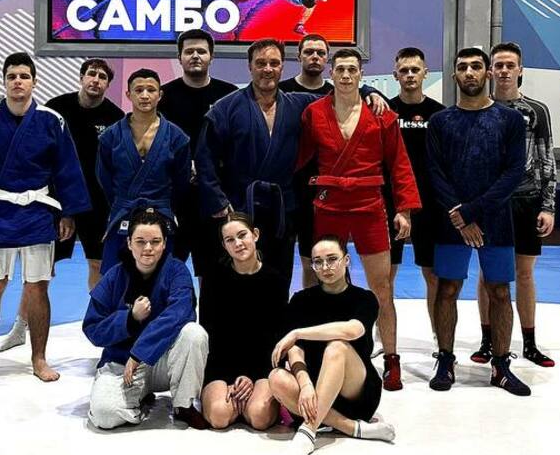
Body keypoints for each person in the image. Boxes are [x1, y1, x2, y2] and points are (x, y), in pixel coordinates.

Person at [0, 52, 91, 386]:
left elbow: (67, 168)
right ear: (4, 81)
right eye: (12, 76)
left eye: (24, 76)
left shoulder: (52, 120)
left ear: (34, 81)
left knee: (37, 288)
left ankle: (39, 358)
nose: (18, 82)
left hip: (38, 213)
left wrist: (68, 212)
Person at [197, 38, 386, 296]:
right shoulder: (226, 107)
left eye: (274, 63)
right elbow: (205, 158)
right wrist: (218, 201)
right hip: (240, 206)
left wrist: (368, 92)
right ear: (250, 66)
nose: (267, 69)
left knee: (278, 278)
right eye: (261, 63)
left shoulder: (299, 104)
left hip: (282, 209)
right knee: (236, 279)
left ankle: (276, 321)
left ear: (282, 67)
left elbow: (340, 95)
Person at [295, 48, 419, 391]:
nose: (346, 75)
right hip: (329, 203)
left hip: (369, 204)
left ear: (362, 75)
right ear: (331, 73)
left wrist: (404, 209)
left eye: (352, 69)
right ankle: (324, 352)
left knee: (382, 286)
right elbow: (299, 159)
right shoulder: (313, 113)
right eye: (341, 69)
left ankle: (391, 358)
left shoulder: (382, 114)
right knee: (328, 282)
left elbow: (399, 163)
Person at [0, 59, 123, 352]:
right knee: (41, 268)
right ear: (81, 77)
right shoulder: (56, 108)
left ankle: (100, 323)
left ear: (107, 84)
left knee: (98, 264)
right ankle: (20, 327)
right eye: (91, 74)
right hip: (56, 200)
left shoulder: (115, 116)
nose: (96, 80)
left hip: (98, 202)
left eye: (102, 77)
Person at [425, 47, 529, 396]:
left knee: (500, 291)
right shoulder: (440, 122)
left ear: (487, 73)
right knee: (447, 289)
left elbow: (513, 172)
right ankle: (445, 359)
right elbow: (434, 172)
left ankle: (501, 366)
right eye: (462, 67)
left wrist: (471, 212)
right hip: (451, 221)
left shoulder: (510, 120)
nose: (469, 72)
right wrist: (460, 215)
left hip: (495, 220)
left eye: (475, 66)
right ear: (455, 75)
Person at [269, 235, 396, 455]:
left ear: (346, 260)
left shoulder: (365, 298)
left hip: (355, 392)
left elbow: (352, 330)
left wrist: (298, 332)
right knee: (276, 378)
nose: (325, 267)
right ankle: (351, 427)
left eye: (332, 259)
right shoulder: (301, 300)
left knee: (336, 347)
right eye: (318, 262)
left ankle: (308, 432)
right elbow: (295, 351)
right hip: (313, 391)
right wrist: (305, 384)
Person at [83, 210, 210, 430]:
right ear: (129, 243)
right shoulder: (114, 276)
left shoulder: (177, 272)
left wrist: (139, 352)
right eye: (140, 241)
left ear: (164, 244)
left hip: (163, 362)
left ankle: (183, 405)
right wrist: (130, 318)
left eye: (155, 241)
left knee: (194, 334)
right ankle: (139, 400)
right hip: (123, 364)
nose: (148, 248)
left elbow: (180, 314)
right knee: (104, 416)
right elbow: (93, 328)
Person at [481, 42, 557, 368]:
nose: (504, 71)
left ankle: (529, 343)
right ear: (490, 71)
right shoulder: (479, 109)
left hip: (527, 200)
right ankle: (487, 341)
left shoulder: (536, 111)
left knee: (524, 274)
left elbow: (547, 157)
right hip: (490, 204)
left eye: (510, 65)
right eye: (498, 65)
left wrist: (548, 206)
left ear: (520, 70)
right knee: (487, 274)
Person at [157, 29, 237, 276]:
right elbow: (155, 143)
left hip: (215, 197)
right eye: (189, 51)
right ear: (179, 57)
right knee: (165, 270)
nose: (195, 56)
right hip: (174, 197)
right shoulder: (163, 96)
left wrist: (207, 170)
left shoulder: (229, 95)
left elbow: (236, 144)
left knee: (214, 273)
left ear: (211, 57)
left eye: (201, 51)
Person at [199, 212, 288, 430]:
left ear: (255, 234)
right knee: (219, 415)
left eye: (242, 235)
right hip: (222, 365)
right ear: (224, 246)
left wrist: (251, 377)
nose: (238, 243)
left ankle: (252, 401)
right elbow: (211, 334)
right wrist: (233, 378)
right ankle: (231, 400)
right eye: (230, 240)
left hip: (262, 366)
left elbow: (276, 338)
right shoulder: (213, 279)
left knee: (259, 416)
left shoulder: (275, 280)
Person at [96, 69, 192, 257]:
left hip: (161, 215)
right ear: (128, 95)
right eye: (139, 90)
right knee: (116, 272)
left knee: (160, 272)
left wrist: (165, 205)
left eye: (151, 90)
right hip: (123, 212)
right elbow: (104, 178)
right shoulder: (110, 136)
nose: (145, 95)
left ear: (160, 94)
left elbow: (181, 182)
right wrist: (121, 201)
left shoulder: (177, 137)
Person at [387, 47, 447, 344]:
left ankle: (439, 337)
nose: (410, 75)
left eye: (415, 70)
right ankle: (383, 338)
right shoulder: (384, 111)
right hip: (391, 202)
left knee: (432, 274)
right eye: (404, 70)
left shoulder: (440, 114)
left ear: (425, 73)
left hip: (430, 203)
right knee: (385, 276)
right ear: (395, 75)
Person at [278, 33, 333, 290]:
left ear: (327, 58)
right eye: (309, 52)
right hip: (285, 185)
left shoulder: (335, 93)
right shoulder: (281, 91)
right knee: (278, 258)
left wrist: (370, 91)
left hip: (320, 186)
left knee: (314, 258)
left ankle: (312, 310)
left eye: (320, 53)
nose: (315, 57)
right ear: (298, 56)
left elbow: (358, 91)